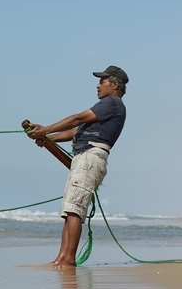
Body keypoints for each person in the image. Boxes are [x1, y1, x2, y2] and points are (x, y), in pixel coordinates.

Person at [26, 66, 128, 268]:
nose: (97, 85)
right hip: (84, 159)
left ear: (115, 84)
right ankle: (61, 259)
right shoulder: (105, 110)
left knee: (74, 210)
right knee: (70, 210)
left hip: (90, 158)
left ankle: (68, 260)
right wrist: (46, 138)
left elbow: (77, 119)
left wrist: (45, 130)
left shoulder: (112, 103)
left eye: (102, 81)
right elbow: (75, 130)